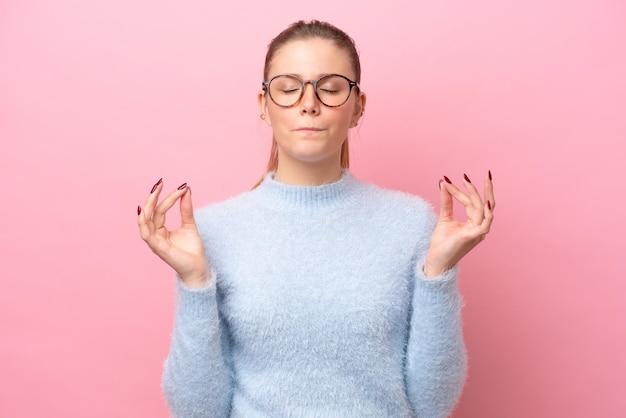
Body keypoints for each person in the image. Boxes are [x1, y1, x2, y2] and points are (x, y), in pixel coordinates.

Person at [137, 20, 495, 418]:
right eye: (289, 89)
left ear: (358, 107)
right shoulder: (211, 232)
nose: (309, 103)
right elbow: (197, 412)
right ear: (263, 105)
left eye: (331, 88)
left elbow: (432, 405)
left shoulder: (411, 223)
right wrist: (194, 284)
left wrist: (438, 276)